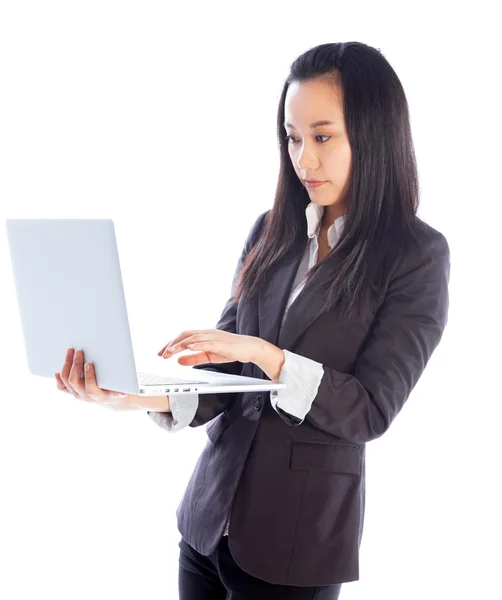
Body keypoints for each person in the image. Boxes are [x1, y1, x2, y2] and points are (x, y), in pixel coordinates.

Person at [56, 41, 450, 599]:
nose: (303, 159)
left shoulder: (416, 256)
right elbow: (225, 384)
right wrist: (129, 397)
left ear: (375, 131)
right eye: (292, 138)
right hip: (208, 524)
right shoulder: (274, 231)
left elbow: (370, 409)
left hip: (295, 544)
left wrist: (270, 357)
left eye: (322, 136)